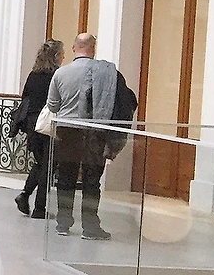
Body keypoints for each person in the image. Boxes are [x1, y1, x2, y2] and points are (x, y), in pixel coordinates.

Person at [45, 33, 138, 240]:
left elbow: (53, 105)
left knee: (66, 178)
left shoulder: (61, 73)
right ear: (93, 48)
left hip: (67, 130)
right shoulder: (107, 73)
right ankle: (90, 226)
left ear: (73, 48)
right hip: (95, 131)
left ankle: (63, 223)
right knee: (92, 180)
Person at [14, 39, 63, 219]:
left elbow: (25, 97)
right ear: (56, 56)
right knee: (48, 166)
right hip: (49, 124)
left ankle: (25, 195)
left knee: (41, 162)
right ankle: (39, 208)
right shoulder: (57, 75)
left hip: (32, 125)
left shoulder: (33, 75)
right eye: (62, 54)